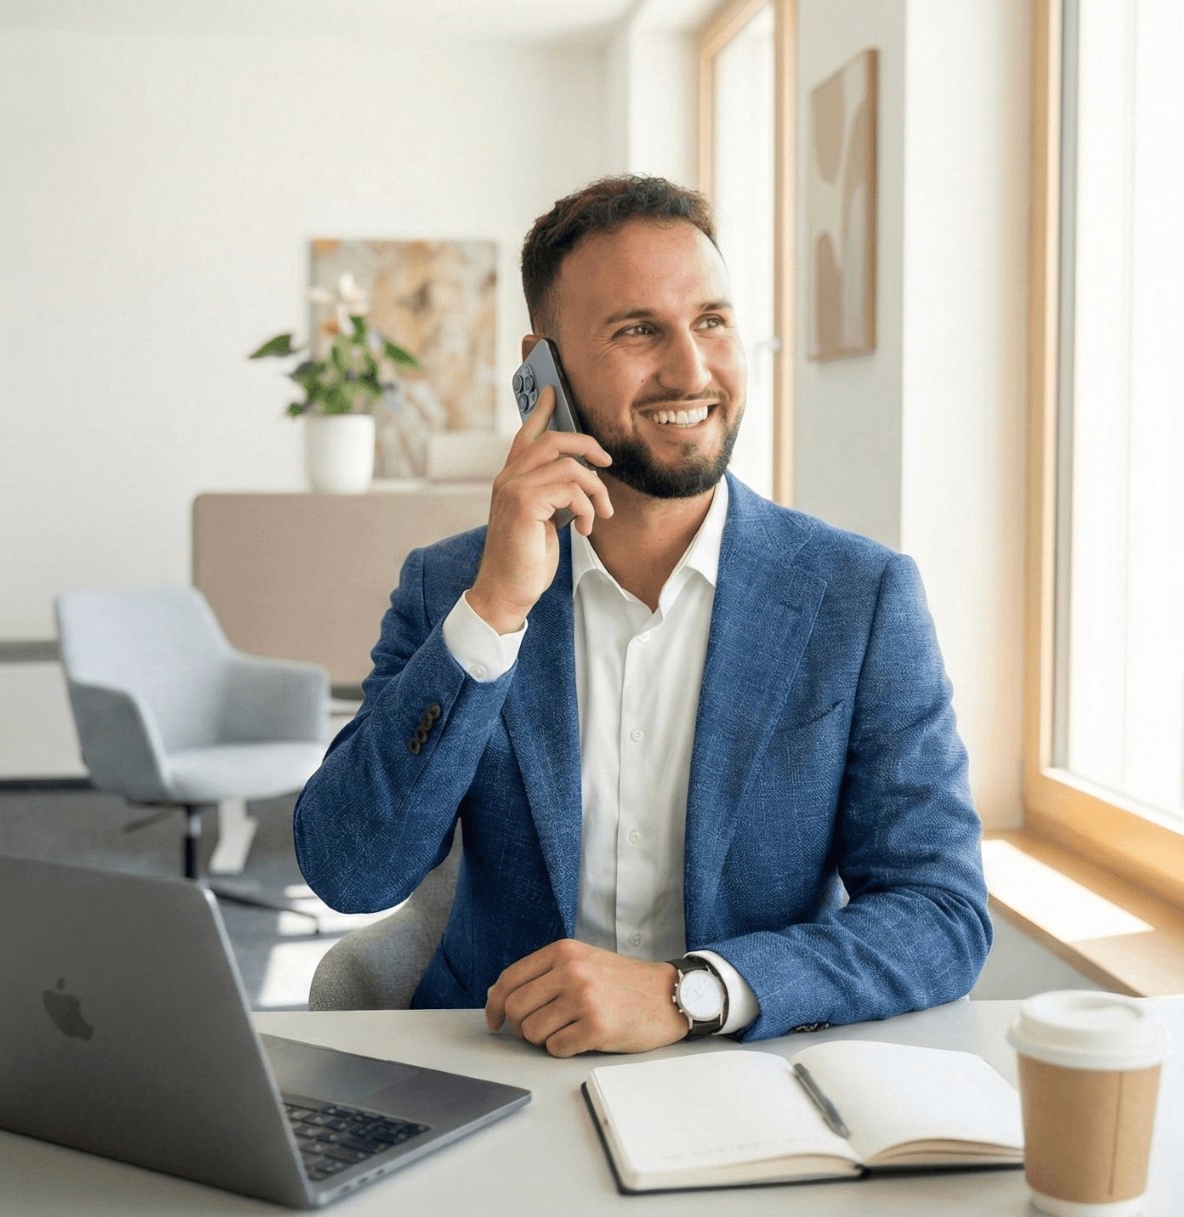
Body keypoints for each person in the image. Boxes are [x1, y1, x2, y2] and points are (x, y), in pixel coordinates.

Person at [293, 174, 989, 1055]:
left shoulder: (860, 597)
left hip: (742, 1070)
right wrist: (495, 610)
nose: (692, 370)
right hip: (500, 1068)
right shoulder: (451, 587)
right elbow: (349, 871)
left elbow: (942, 912)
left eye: (712, 321)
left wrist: (689, 995)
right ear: (540, 371)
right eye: (637, 331)